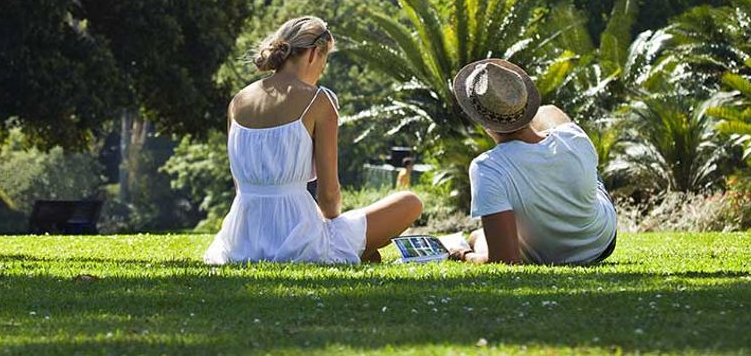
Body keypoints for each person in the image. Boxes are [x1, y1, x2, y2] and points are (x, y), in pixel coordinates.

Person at [205, 16, 422, 264]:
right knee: (409, 202)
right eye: (325, 59)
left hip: (240, 240)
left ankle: (364, 252)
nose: (323, 69)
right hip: (300, 240)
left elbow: (240, 186)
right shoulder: (318, 101)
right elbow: (329, 200)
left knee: (364, 239)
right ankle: (362, 251)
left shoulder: (238, 102)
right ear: (312, 54)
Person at [447, 58, 617, 266]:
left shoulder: (488, 167)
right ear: (527, 106)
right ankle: (475, 236)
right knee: (549, 112)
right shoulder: (574, 136)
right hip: (600, 242)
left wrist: (463, 254)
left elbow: (505, 261)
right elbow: (552, 114)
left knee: (476, 238)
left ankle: (473, 238)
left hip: (550, 256)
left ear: (481, 121)